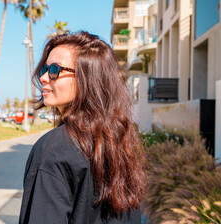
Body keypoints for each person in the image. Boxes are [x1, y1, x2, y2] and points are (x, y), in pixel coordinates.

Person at [19, 31, 147, 224]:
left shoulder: (53, 150)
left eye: (55, 70)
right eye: (44, 69)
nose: (44, 77)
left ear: (86, 78)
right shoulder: (119, 143)